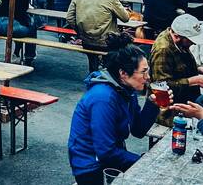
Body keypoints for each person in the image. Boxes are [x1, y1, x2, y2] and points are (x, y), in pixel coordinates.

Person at [68, 33, 166, 184]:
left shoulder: (126, 90)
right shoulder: (103, 98)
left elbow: (138, 130)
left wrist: (153, 104)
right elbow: (106, 152)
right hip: (90, 165)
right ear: (123, 73)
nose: (148, 77)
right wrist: (142, 162)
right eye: (143, 71)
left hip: (110, 156)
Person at [67, 0, 131, 71]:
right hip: (107, 42)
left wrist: (80, 32)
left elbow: (69, 18)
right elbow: (125, 18)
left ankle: (93, 74)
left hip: (86, 41)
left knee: (93, 63)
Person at [149, 13, 203, 125]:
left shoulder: (180, 43)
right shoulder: (163, 50)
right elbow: (160, 86)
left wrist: (198, 69)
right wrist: (193, 81)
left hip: (186, 97)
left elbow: (177, 67)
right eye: (190, 40)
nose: (193, 43)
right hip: (170, 108)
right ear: (177, 36)